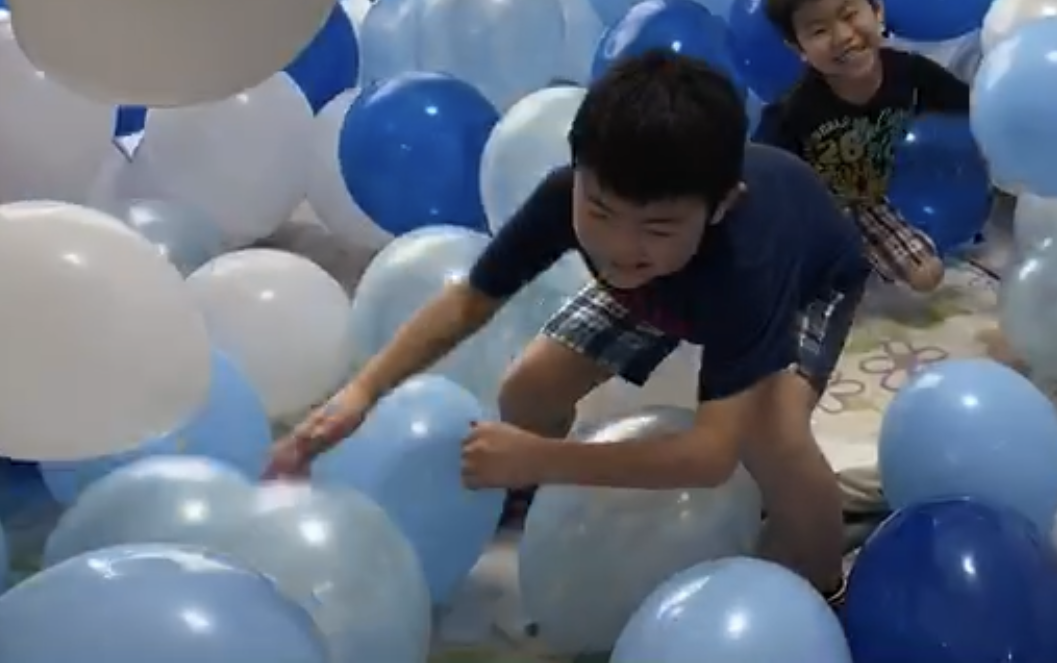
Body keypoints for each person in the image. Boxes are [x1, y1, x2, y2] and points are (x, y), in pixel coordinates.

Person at [265, 50, 870, 605]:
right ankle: (536, 497)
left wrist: (544, 458)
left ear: (721, 207)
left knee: (773, 439)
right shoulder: (570, 200)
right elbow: (469, 301)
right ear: (578, 170)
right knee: (527, 390)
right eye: (599, 210)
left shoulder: (745, 265)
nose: (619, 245)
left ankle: (828, 585)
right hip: (667, 288)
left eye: (657, 227)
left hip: (808, 281)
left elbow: (709, 457)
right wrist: (363, 391)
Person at [754, 0, 973, 295]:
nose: (843, 36)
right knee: (921, 271)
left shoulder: (914, 73)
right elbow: (763, 181)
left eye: (849, 14)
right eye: (818, 31)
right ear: (798, 48)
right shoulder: (793, 113)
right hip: (852, 208)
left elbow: (972, 117)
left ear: (877, 10)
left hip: (915, 184)